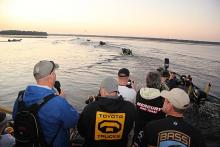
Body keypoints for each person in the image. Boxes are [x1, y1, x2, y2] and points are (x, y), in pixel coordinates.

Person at [12, 60, 79, 147]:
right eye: (54, 73)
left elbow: (14, 116)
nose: (55, 75)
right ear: (51, 76)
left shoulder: (20, 97)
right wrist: (63, 100)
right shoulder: (58, 102)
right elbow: (73, 121)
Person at [77, 77, 136, 147]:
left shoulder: (90, 108)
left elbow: (82, 131)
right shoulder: (130, 108)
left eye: (100, 89)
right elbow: (131, 131)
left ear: (103, 90)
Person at [133, 71, 165, 146]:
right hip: (154, 132)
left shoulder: (139, 93)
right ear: (159, 82)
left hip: (138, 129)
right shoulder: (162, 98)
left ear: (147, 81)